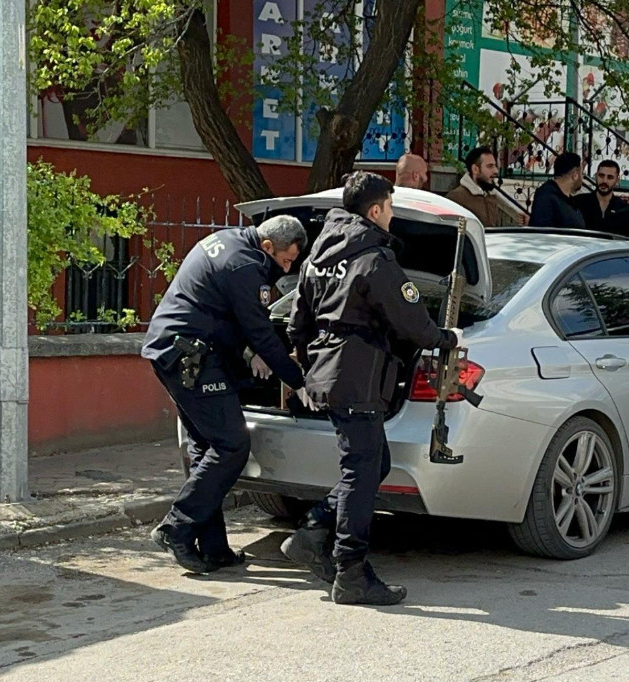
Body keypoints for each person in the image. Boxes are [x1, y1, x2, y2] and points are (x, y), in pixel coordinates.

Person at [281, 171, 461, 605]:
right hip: (358, 376)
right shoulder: (375, 260)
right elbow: (412, 320)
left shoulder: (319, 257)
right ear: (376, 210)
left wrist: (308, 359)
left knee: (371, 464)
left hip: (329, 374)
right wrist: (445, 338)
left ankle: (313, 531)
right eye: (392, 208)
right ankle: (351, 572)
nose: (393, 216)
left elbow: (297, 323)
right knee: (362, 472)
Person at [141, 216, 309, 573]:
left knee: (206, 450)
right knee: (232, 445)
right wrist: (296, 379)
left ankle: (213, 547)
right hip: (191, 358)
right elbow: (260, 331)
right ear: (268, 247)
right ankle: (176, 527)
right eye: (286, 260)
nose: (287, 268)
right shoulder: (244, 265)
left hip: (178, 351)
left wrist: (248, 354)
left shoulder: (230, 241)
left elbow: (222, 314)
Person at [444, 146, 525, 227]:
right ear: (475, 169)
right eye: (490, 166)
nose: (496, 171)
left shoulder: (491, 196)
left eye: (495, 166)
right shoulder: (456, 198)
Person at [571, 159, 629, 236]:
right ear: (596, 176)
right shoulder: (578, 203)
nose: (604, 181)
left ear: (617, 180)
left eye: (610, 177)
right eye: (601, 175)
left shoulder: (626, 211)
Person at [528, 151, 587, 229]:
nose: (583, 177)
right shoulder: (546, 197)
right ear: (575, 175)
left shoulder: (567, 200)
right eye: (582, 173)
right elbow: (541, 232)